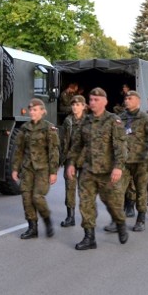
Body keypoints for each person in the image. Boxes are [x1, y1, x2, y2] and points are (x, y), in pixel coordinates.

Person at [66, 87, 128, 250]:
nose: (92, 103)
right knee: (86, 204)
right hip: (88, 170)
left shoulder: (113, 121)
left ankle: (120, 223)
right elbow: (77, 144)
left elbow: (120, 147)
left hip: (108, 172)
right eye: (91, 100)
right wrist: (71, 163)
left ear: (105, 102)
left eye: (96, 100)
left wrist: (118, 167)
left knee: (113, 204)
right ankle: (89, 237)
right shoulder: (85, 121)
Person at [108, 90, 148, 232]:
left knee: (141, 191)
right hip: (123, 161)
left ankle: (141, 219)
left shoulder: (146, 118)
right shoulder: (120, 118)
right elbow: (113, 138)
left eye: (130, 98)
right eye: (126, 98)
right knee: (117, 190)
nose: (127, 101)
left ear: (138, 101)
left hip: (141, 161)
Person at [12, 98, 60, 239]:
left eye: (35, 110)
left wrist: (53, 172)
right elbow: (19, 150)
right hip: (27, 168)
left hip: (42, 169)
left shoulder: (49, 128)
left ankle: (47, 220)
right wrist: (15, 168)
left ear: (42, 111)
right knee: (26, 198)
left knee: (37, 197)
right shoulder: (25, 128)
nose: (32, 112)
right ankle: (32, 228)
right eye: (30, 110)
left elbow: (54, 151)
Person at [60, 95, 86, 227]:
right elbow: (62, 141)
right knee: (69, 188)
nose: (75, 107)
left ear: (83, 106)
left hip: (85, 160)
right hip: (70, 160)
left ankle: (87, 216)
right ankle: (70, 217)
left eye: (77, 104)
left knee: (84, 189)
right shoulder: (67, 121)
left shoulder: (88, 121)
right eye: (73, 105)